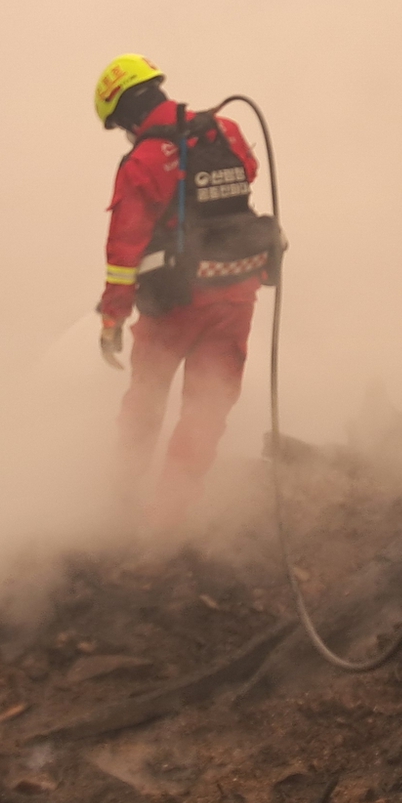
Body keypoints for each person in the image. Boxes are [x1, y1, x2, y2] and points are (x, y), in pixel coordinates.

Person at [92, 54, 270, 532]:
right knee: (207, 410)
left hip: (175, 304)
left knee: (145, 403)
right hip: (237, 293)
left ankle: (119, 503)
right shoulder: (227, 131)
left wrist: (112, 319)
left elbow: (123, 250)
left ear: (127, 113)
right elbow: (248, 172)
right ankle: (169, 520)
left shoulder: (144, 161)